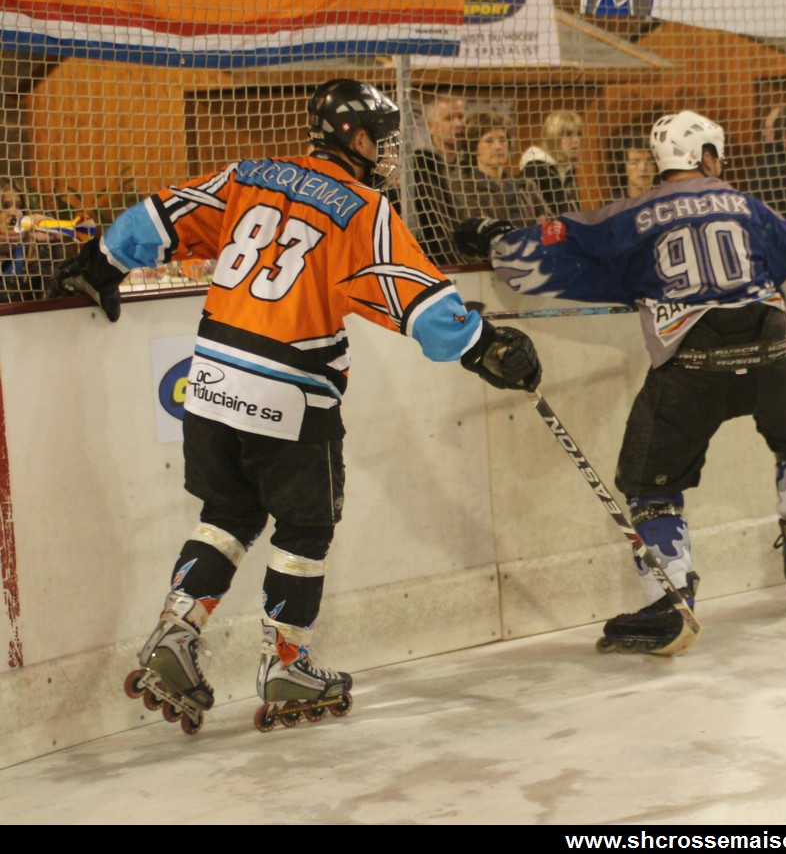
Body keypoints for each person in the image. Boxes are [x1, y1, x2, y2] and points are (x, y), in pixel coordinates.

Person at [50, 79, 542, 733]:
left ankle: (175, 631)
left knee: (228, 514)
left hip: (210, 381)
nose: (389, 152)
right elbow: (421, 305)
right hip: (291, 390)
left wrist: (102, 262)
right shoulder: (363, 209)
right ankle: (287, 663)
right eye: (382, 139)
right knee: (305, 529)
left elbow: (157, 218)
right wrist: (484, 344)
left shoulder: (247, 175)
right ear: (355, 138)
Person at [458, 110, 786, 656]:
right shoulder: (746, 204)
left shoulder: (629, 214)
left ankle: (671, 600)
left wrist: (492, 237)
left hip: (691, 366)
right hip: (774, 352)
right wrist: (770, 318)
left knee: (652, 488)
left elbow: (528, 260)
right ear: (706, 156)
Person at [405, 92, 474, 265]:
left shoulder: (471, 163)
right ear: (431, 126)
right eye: (449, 118)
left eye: (461, 117)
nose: (458, 124)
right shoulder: (420, 165)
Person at [465, 110, 549, 227]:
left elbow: (550, 222)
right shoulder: (467, 189)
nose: (498, 146)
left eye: (502, 140)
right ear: (474, 147)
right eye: (489, 140)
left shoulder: (527, 186)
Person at [520, 110, 583, 217]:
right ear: (553, 137)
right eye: (568, 134)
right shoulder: (535, 169)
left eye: (579, 134)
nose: (576, 140)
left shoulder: (568, 171)